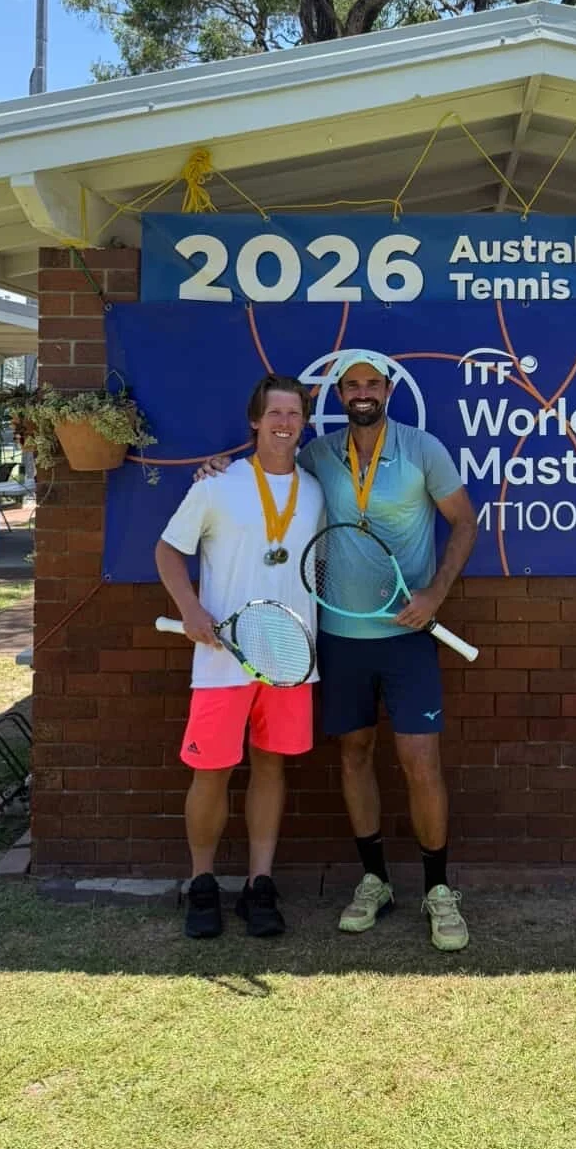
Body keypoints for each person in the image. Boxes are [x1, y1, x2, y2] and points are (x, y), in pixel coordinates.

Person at [200, 348, 478, 951]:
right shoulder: (319, 455)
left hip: (409, 636)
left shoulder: (423, 449)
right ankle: (374, 879)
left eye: (371, 383)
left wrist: (435, 592)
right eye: (351, 384)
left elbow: (465, 522)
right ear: (339, 395)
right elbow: (264, 468)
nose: (361, 392)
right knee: (354, 755)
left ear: (387, 391)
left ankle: (438, 889)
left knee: (420, 760)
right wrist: (215, 467)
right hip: (339, 639)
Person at [155, 374, 324, 941]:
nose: (284, 423)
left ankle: (259, 883)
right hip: (223, 659)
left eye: (294, 414)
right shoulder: (217, 485)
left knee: (271, 766)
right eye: (274, 413)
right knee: (212, 771)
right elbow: (167, 550)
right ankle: (202, 884)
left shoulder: (317, 491)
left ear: (304, 422)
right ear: (255, 421)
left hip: (289, 659)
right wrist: (191, 608)